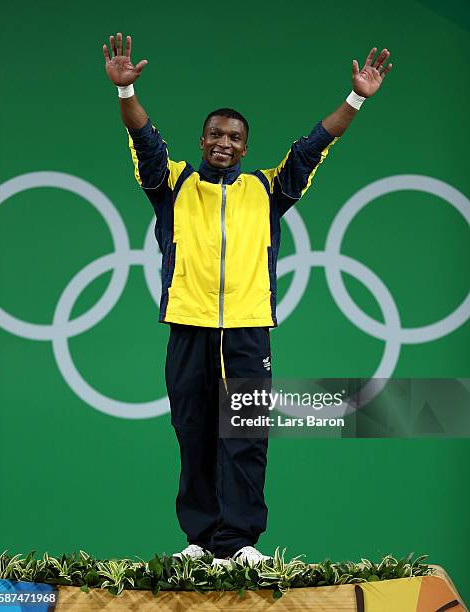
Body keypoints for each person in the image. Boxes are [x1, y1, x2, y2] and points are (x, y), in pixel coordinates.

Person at [102, 33, 392, 565]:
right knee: (193, 434)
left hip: (247, 331)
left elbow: (312, 147)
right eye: (215, 134)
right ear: (202, 139)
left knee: (246, 439)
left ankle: (238, 544)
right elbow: (145, 141)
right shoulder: (172, 185)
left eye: (234, 137)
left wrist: (356, 98)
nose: (224, 143)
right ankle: (198, 540)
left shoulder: (268, 189)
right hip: (188, 327)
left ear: (245, 146)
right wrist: (126, 93)